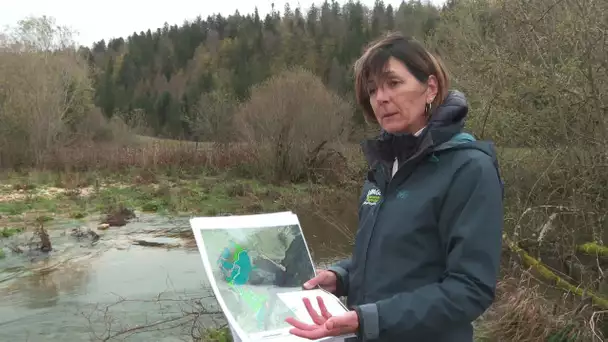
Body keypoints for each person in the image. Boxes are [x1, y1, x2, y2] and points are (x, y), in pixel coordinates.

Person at [285, 32, 504, 341]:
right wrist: (342, 276)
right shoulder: (384, 166)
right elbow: (393, 258)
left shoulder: (469, 168)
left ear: (430, 88)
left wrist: (368, 318)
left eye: (394, 84)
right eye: (373, 90)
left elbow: (470, 289)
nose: (381, 98)